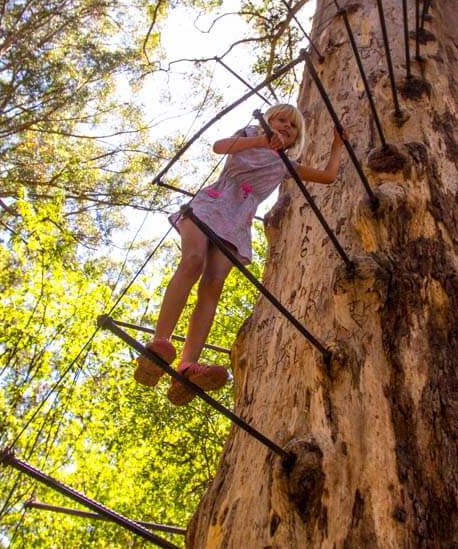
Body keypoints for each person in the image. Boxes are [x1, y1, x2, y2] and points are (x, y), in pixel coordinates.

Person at [136, 104, 345, 404]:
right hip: (213, 203)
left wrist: (337, 145)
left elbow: (327, 176)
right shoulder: (250, 134)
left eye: (293, 125)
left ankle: (186, 366)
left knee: (213, 284)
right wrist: (258, 140)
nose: (286, 126)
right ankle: (160, 342)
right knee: (193, 262)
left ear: (296, 137)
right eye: (280, 119)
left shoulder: (286, 163)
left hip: (238, 221)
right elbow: (219, 147)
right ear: (267, 122)